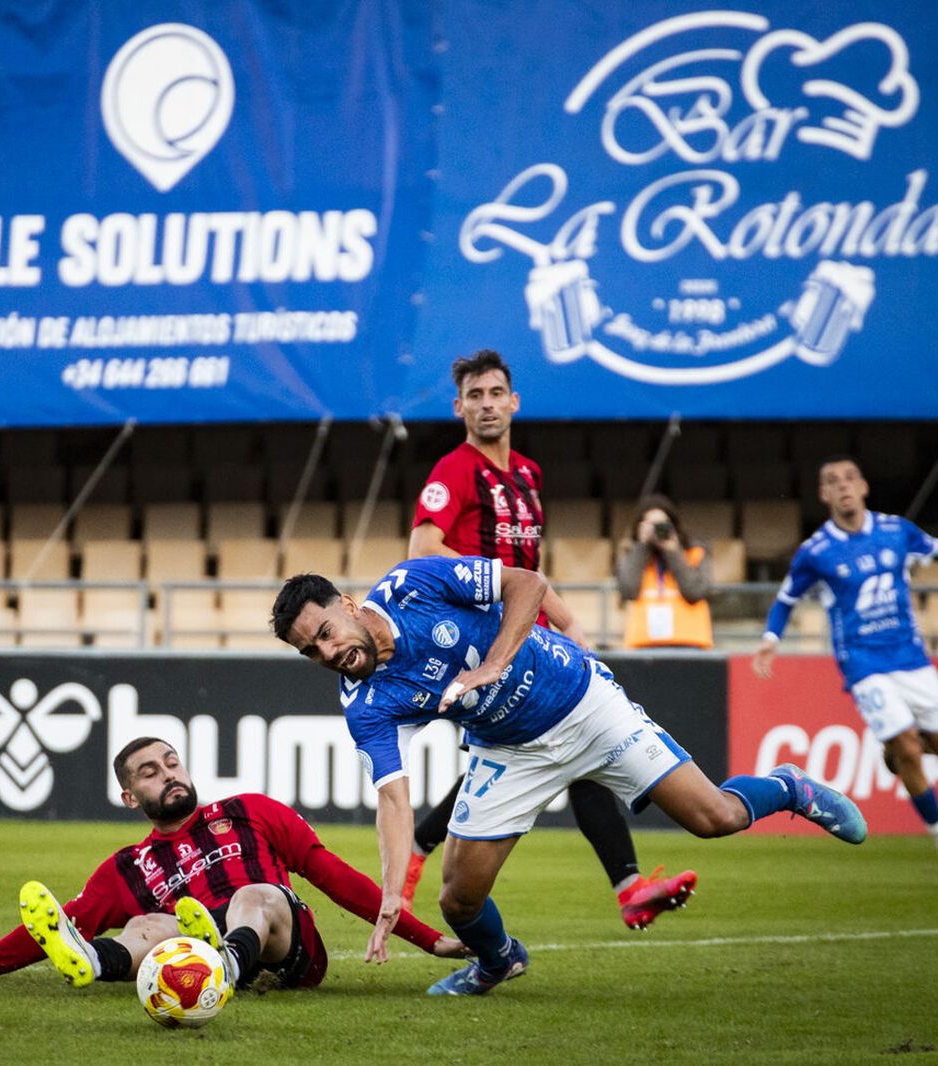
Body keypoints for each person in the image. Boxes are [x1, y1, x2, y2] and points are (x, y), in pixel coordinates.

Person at [272, 558, 867, 996]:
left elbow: (527, 584)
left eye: (325, 633)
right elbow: (393, 800)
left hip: (583, 702)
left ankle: (791, 787)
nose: (327, 653)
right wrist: (392, 892)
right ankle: (499, 960)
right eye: (311, 652)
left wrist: (495, 666)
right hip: (509, 750)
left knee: (716, 818)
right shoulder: (364, 701)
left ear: (347, 606)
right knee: (457, 898)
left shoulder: (413, 586)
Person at [404, 349, 693, 932]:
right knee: (571, 748)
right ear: (459, 407)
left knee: (553, 753)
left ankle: (416, 854)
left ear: (515, 401)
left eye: (496, 394)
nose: (487, 405)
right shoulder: (454, 470)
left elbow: (529, 569)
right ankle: (628, 886)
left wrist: (564, 619)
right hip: (479, 646)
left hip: (529, 643)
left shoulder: (530, 475)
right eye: (475, 396)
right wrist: (503, 587)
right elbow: (422, 550)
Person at [0, 736, 466, 988]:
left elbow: (334, 877)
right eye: (149, 772)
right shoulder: (127, 866)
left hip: (283, 945)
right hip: (197, 949)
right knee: (145, 924)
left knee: (257, 896)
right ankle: (98, 965)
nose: (168, 773)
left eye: (172, 763)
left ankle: (230, 959)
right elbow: (49, 929)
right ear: (130, 799)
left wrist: (426, 937)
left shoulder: (251, 811)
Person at [753, 456, 938, 860]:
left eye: (850, 478)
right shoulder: (815, 552)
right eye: (832, 481)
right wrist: (771, 638)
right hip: (862, 664)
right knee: (910, 748)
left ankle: (893, 751)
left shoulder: (896, 531)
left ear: (863, 487)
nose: (843, 486)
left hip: (911, 658)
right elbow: (786, 599)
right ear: (823, 494)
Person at [618, 495, 714, 650]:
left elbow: (695, 592)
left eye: (662, 525)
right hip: (644, 645)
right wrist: (642, 547)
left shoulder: (694, 552)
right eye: (650, 525)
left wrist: (672, 550)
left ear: (674, 526)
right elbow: (628, 590)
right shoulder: (631, 554)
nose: (657, 530)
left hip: (689, 642)